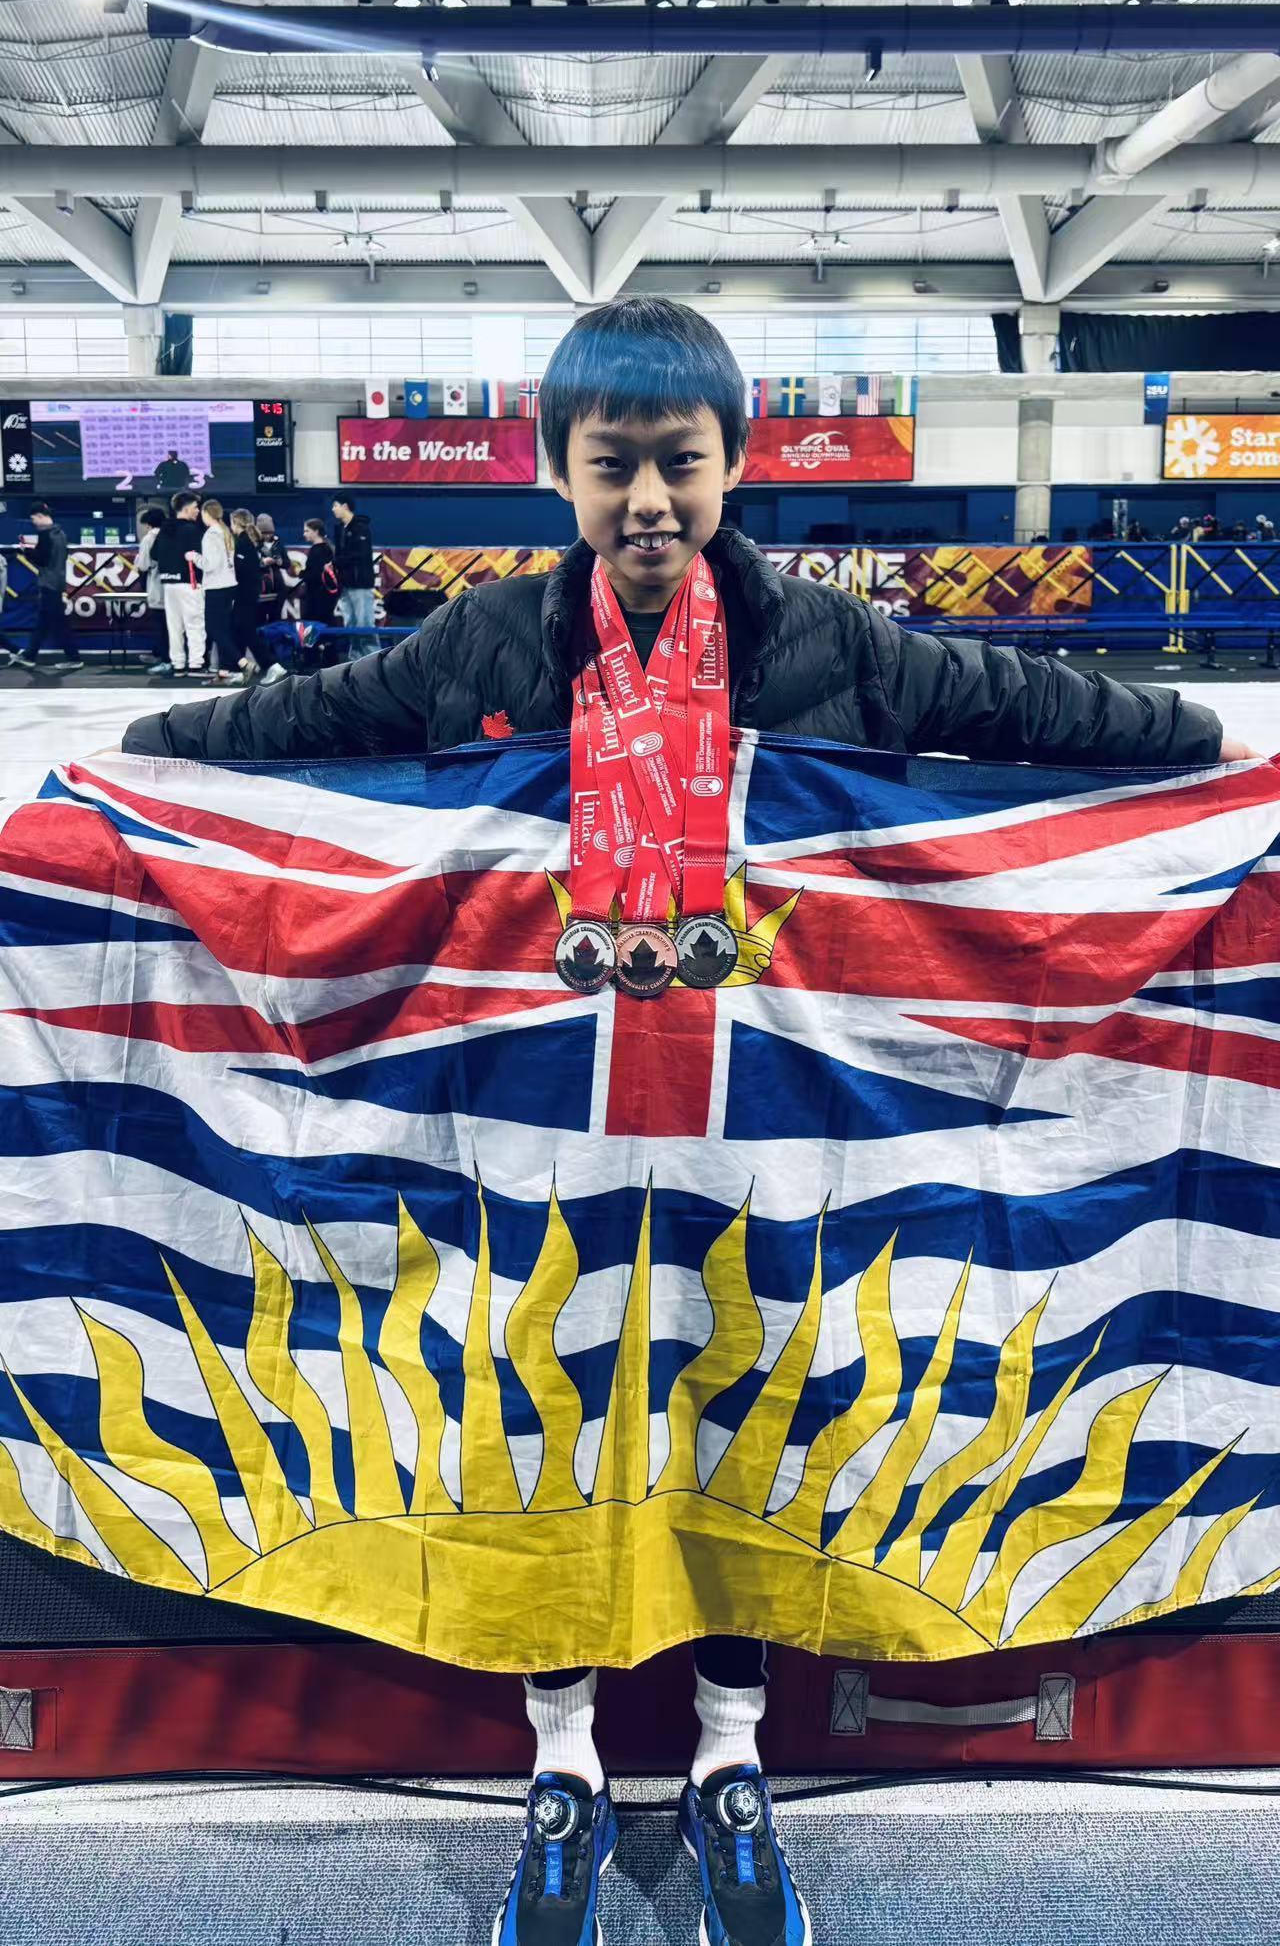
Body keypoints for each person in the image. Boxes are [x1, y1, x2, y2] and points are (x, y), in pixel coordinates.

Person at [121, 298, 1258, 1946]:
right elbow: (314, 722)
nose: (650, 500)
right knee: (538, 1414)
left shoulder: (824, 645)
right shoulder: (494, 644)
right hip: (540, 1145)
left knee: (753, 1417)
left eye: (681, 463)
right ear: (558, 474)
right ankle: (563, 1757)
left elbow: (1017, 702)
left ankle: (732, 1752)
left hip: (762, 1143)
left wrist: (1201, 751)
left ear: (736, 463)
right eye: (615, 467)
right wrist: (139, 771)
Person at [13, 501, 83, 672]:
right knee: (44, 622)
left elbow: (42, 560)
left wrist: (26, 551)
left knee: (58, 623)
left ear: (40, 516)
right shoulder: (61, 533)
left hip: (48, 583)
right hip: (58, 581)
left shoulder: (45, 535)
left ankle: (74, 658)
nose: (33, 522)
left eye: (33, 519)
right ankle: (29, 656)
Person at [151, 492, 205, 678]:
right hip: (189, 583)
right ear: (187, 508)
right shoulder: (192, 530)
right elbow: (202, 556)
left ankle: (178, 665)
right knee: (194, 625)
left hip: (168, 584)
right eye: (196, 507)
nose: (198, 511)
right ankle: (196, 665)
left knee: (174, 627)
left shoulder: (164, 529)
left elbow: (153, 555)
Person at [331, 493, 377, 653]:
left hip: (360, 584)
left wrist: (337, 562)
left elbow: (360, 554)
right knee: (350, 624)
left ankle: (373, 657)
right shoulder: (340, 530)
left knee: (364, 623)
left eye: (335, 505)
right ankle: (355, 658)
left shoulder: (361, 528)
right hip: (345, 584)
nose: (333, 509)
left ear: (345, 506)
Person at [200, 498, 238, 684]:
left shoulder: (211, 534)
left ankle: (241, 661)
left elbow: (210, 565)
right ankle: (225, 670)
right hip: (228, 585)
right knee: (223, 629)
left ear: (206, 513)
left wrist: (195, 558)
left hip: (216, 587)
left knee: (214, 628)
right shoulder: (225, 532)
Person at [228, 508, 267, 683]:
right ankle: (239, 668)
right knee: (239, 629)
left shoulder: (243, 542)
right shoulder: (249, 541)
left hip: (245, 592)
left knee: (246, 630)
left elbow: (243, 569)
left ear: (236, 522)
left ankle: (270, 664)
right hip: (248, 591)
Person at [133, 505, 170, 672]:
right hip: (173, 587)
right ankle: (166, 657)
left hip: (156, 586)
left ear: (148, 524)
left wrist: (137, 561)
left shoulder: (149, 539)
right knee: (172, 627)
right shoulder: (171, 534)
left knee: (160, 626)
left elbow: (143, 564)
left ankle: (164, 659)